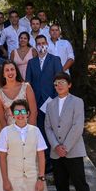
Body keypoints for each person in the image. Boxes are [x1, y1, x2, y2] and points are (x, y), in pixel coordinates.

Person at [0, 61, 53, 191]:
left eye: (12, 69)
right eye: (7, 70)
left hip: (28, 134)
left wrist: (31, 133)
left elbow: (33, 111)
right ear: (3, 74)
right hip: (11, 137)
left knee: (32, 170)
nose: (10, 72)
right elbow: (1, 118)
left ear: (16, 71)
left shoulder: (26, 87)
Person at [44, 72, 94, 191]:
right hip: (57, 153)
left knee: (80, 186)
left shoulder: (77, 102)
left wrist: (65, 146)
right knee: (61, 185)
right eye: (56, 83)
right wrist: (56, 146)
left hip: (73, 151)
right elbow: (48, 127)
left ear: (69, 84)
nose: (59, 85)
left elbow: (78, 126)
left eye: (62, 82)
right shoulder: (50, 105)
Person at [25, 35, 64, 172]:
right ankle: (45, 161)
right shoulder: (31, 62)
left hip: (51, 102)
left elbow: (60, 81)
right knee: (41, 131)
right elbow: (27, 84)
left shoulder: (55, 60)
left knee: (53, 130)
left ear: (47, 44)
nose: (41, 46)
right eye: (39, 44)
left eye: (43, 43)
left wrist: (53, 99)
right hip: (36, 103)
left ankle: (55, 160)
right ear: (36, 46)